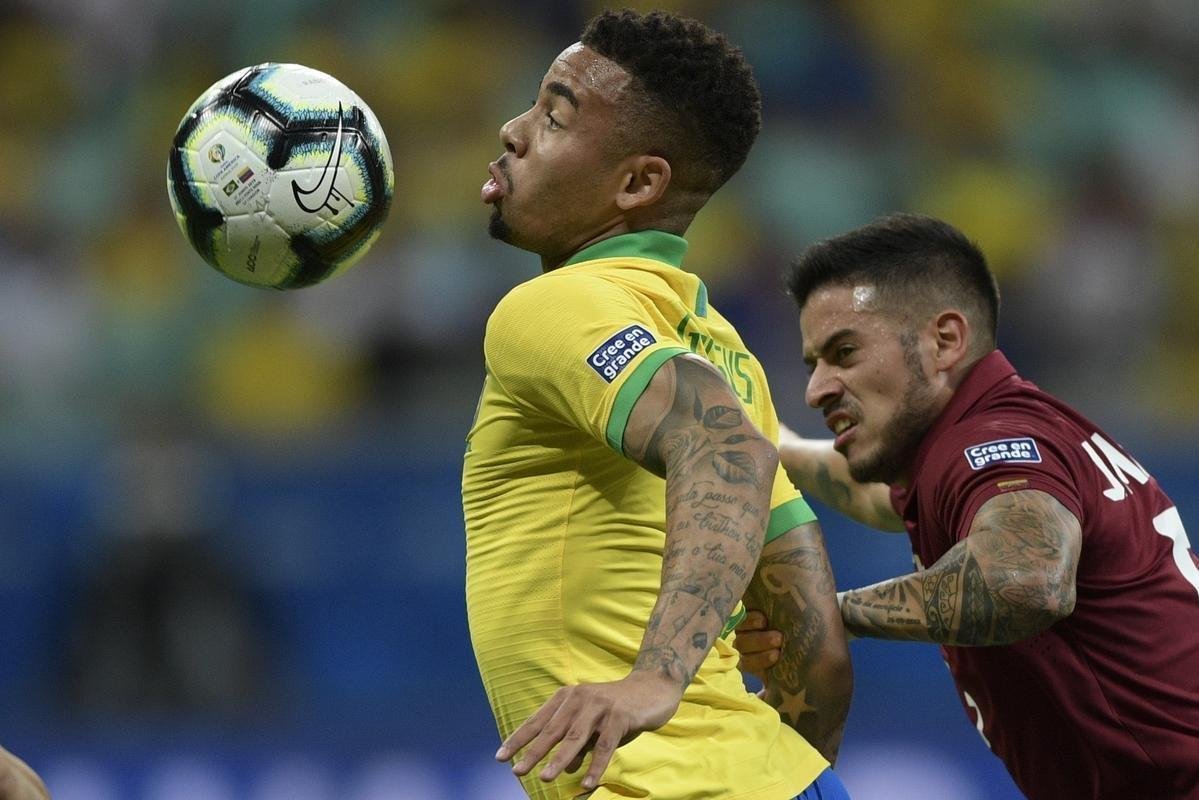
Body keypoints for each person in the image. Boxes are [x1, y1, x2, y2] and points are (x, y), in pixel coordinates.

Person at [462, 9, 852, 800]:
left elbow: (726, 453)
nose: (513, 130)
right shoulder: (721, 349)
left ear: (637, 183)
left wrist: (656, 680)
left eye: (552, 116)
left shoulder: (554, 307)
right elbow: (814, 647)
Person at [735, 213, 1199, 800]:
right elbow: (882, 499)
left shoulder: (990, 441)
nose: (817, 388)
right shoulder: (998, 441)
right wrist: (780, 445)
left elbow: (1022, 582)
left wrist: (824, 612)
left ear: (945, 341)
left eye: (844, 353)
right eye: (814, 365)